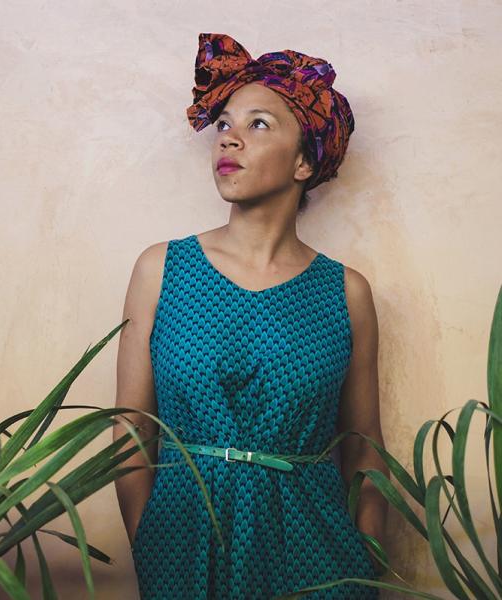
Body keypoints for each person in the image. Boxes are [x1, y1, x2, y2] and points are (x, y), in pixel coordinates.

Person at [113, 32, 390, 599]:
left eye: (259, 124)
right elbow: (131, 430)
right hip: (182, 548)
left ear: (305, 162)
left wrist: (365, 564)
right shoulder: (161, 269)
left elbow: (364, 450)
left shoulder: (347, 293)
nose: (229, 137)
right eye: (223, 124)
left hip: (319, 561)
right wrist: (149, 542)